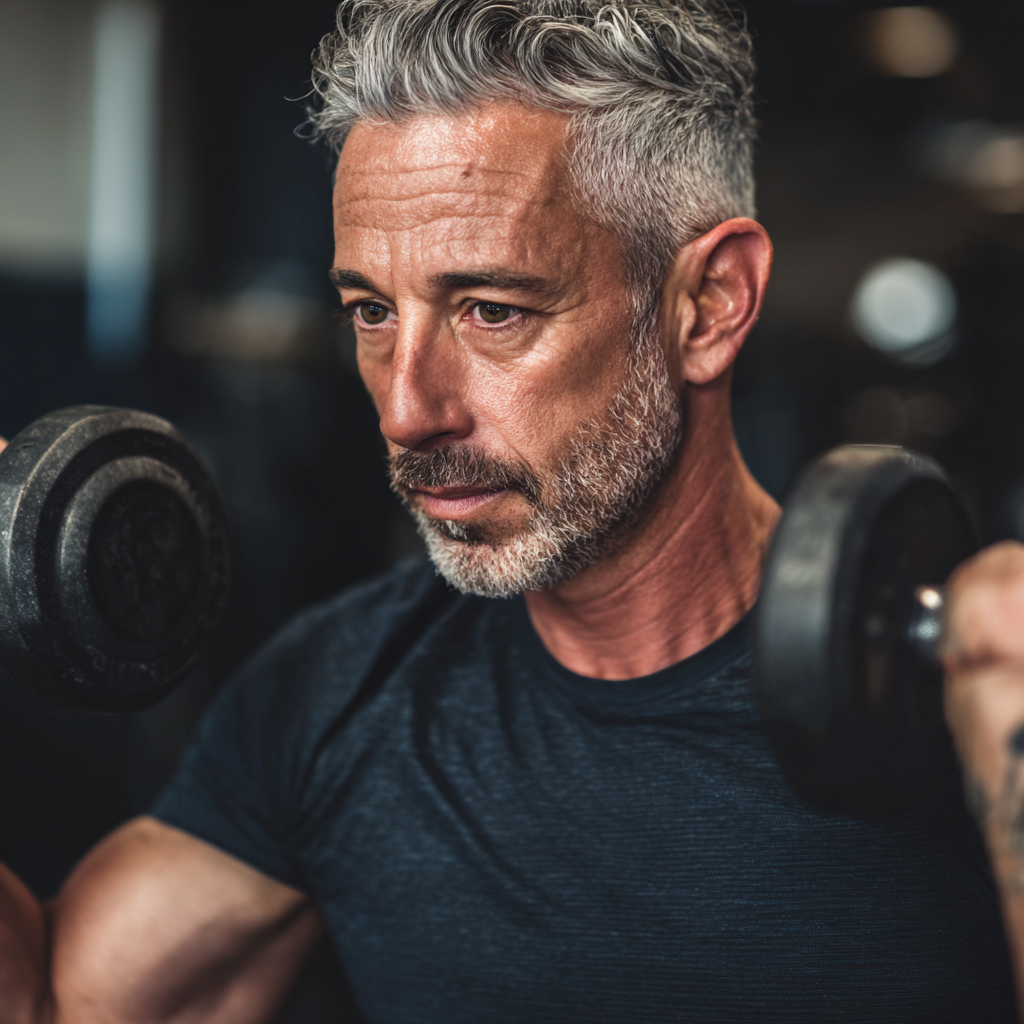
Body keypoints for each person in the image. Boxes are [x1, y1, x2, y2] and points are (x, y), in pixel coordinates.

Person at [2, 1, 1024, 1021]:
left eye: (492, 310)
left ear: (707, 303)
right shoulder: (332, 698)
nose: (407, 410)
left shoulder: (968, 696)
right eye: (371, 311)